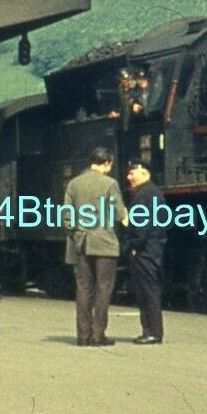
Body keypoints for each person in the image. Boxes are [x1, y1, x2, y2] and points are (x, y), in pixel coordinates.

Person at [63, 147, 128, 347]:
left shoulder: (74, 184)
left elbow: (67, 217)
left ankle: (83, 336)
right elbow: (120, 214)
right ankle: (98, 335)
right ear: (107, 162)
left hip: (82, 243)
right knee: (103, 289)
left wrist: (76, 235)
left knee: (83, 290)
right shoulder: (110, 184)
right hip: (105, 244)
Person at [125, 163, 167, 345]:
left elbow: (141, 225)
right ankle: (151, 330)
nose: (128, 177)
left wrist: (133, 245)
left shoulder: (144, 195)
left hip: (144, 250)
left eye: (132, 172)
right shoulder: (154, 192)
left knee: (147, 291)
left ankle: (152, 332)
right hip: (153, 247)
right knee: (149, 290)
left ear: (144, 172)